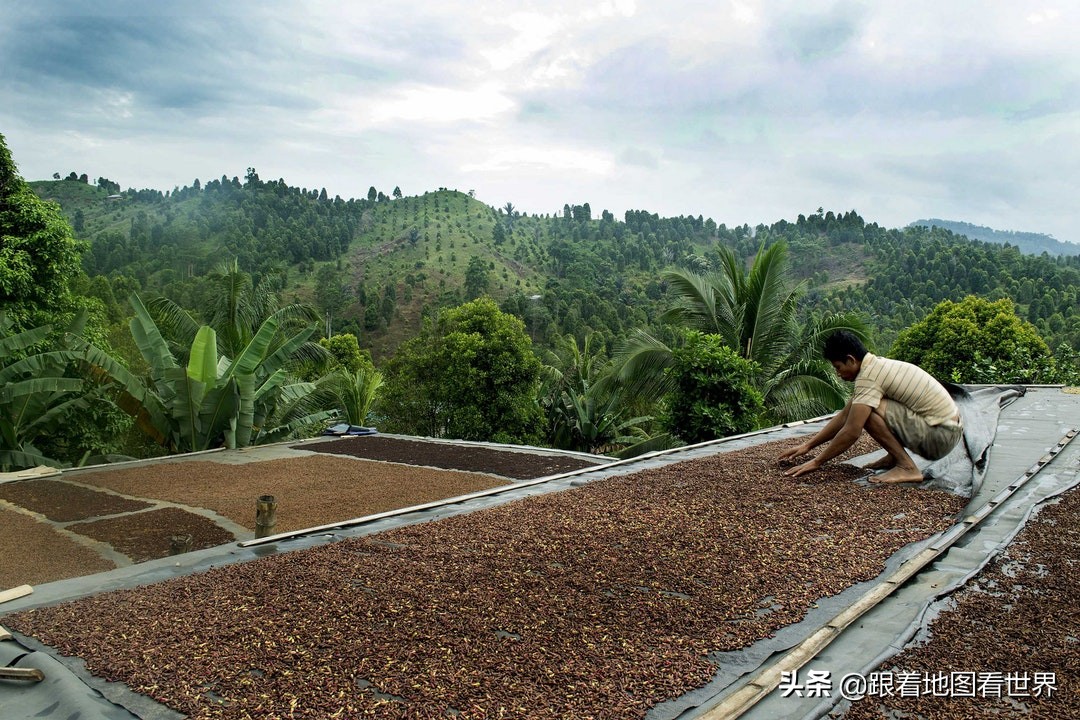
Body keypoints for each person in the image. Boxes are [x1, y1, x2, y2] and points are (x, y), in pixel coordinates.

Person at [779, 330, 963, 483]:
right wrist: (808, 445)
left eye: (838, 367)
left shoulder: (869, 377)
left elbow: (852, 430)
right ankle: (895, 456)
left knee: (867, 412)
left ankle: (906, 466)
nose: (838, 374)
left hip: (939, 437)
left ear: (851, 360)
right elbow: (845, 415)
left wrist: (817, 462)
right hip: (946, 431)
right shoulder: (875, 367)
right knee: (862, 407)